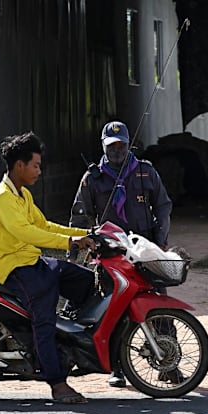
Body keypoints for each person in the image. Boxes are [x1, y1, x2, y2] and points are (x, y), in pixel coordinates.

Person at [0, 131, 96, 404]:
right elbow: (28, 234)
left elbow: (44, 225)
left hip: (33, 262)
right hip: (14, 268)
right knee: (44, 320)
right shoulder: (3, 198)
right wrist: (70, 241)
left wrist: (85, 234)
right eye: (35, 165)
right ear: (19, 165)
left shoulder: (22, 195)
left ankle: (68, 334)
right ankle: (57, 384)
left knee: (85, 279)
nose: (39, 170)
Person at [69, 120, 172, 388]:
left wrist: (160, 241)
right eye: (112, 146)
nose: (117, 150)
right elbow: (80, 216)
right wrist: (78, 249)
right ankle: (118, 367)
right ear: (104, 146)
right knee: (112, 308)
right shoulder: (92, 178)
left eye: (121, 145)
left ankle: (169, 363)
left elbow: (163, 206)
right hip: (110, 252)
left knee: (158, 303)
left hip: (144, 250)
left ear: (129, 144)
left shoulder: (146, 172)